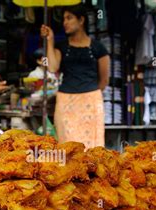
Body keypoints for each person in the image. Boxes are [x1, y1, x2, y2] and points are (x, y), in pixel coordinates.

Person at [41, 4, 110, 148]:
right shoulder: (62, 46)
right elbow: (53, 67)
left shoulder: (98, 48)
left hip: (91, 102)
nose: (65, 22)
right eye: (64, 19)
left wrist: (91, 95)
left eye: (69, 18)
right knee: (67, 149)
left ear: (81, 20)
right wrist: (50, 40)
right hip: (65, 102)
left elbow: (104, 80)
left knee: (93, 149)